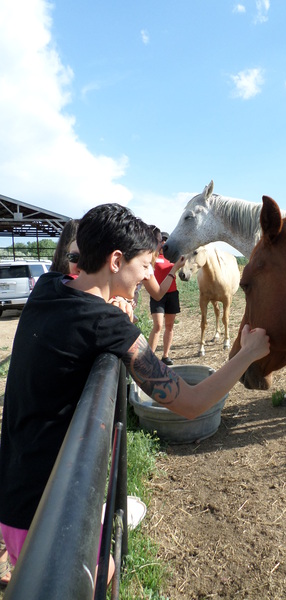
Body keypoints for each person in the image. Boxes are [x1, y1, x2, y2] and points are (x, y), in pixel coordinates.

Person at [0, 203, 270, 570]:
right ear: (115, 261)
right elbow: (190, 404)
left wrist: (111, 299)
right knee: (100, 574)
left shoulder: (49, 287)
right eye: (144, 266)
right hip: (45, 509)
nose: (147, 277)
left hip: (17, 487)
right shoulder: (107, 326)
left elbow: (80, 284)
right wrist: (247, 354)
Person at [147, 231, 179, 365]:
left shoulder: (173, 257)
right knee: (158, 325)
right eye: (162, 240)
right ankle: (149, 357)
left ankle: (165, 356)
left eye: (166, 240)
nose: (164, 242)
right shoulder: (153, 257)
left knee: (169, 326)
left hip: (172, 293)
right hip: (157, 294)